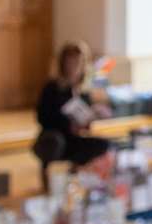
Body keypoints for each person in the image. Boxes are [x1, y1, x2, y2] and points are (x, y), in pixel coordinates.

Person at [34, 40, 112, 192]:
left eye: (77, 62)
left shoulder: (83, 91)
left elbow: (86, 121)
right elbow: (41, 117)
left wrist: (93, 117)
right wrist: (67, 124)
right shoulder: (52, 88)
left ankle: (73, 175)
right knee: (55, 141)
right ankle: (46, 175)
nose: (73, 67)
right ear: (62, 64)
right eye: (70, 62)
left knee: (103, 144)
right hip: (53, 137)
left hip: (73, 138)